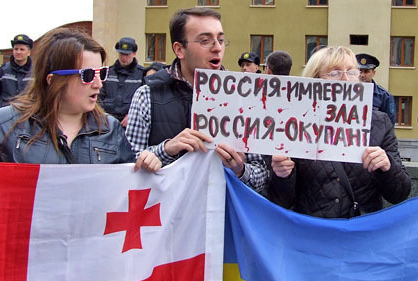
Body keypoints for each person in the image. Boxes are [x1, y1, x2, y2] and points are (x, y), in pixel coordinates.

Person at [0, 28, 137, 166]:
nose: (99, 84)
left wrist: (160, 155)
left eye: (102, 73)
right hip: (25, 239)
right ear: (54, 80)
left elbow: (135, 184)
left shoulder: (111, 129)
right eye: (88, 75)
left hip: (87, 239)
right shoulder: (10, 124)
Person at [126, 7, 268, 191]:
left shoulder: (243, 98)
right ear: (179, 49)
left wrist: (239, 169)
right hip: (166, 215)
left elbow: (262, 177)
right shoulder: (147, 95)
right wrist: (167, 149)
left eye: (221, 40)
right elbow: (128, 166)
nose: (217, 47)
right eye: (205, 40)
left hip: (220, 214)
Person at [268, 46, 410, 218]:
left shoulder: (379, 123)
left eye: (351, 72)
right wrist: (283, 176)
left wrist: (386, 167)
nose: (346, 79)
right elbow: (280, 201)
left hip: (361, 235)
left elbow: (400, 193)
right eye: (334, 73)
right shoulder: (296, 124)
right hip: (314, 235)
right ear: (314, 80)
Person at [98, 37, 145, 127]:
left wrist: (132, 115)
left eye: (127, 55)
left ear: (134, 54)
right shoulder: (107, 72)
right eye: (121, 54)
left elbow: (144, 101)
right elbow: (99, 97)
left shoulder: (141, 74)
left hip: (129, 123)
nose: (123, 57)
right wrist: (104, 116)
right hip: (107, 121)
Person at [0, 34, 34, 108]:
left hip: (28, 113)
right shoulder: (2, 71)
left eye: (22, 49)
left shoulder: (36, 72)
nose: (18, 52)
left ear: (29, 52)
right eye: (16, 49)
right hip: (6, 113)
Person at [356, 53, 396, 125]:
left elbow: (390, 124)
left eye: (366, 71)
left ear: (373, 73)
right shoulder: (347, 94)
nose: (362, 75)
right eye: (360, 71)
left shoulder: (385, 96)